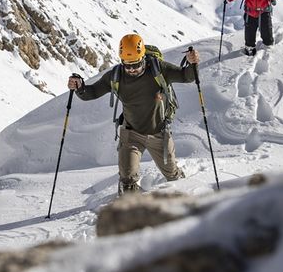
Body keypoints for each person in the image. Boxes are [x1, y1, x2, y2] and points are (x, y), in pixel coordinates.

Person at [67, 34, 200, 193]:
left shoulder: (159, 69)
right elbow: (93, 92)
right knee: (127, 181)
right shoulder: (116, 75)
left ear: (143, 57)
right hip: (131, 134)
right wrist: (80, 88)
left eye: (136, 64)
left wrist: (193, 64)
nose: (131, 69)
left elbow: (186, 76)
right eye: (127, 65)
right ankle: (131, 207)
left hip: (159, 133)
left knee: (172, 175)